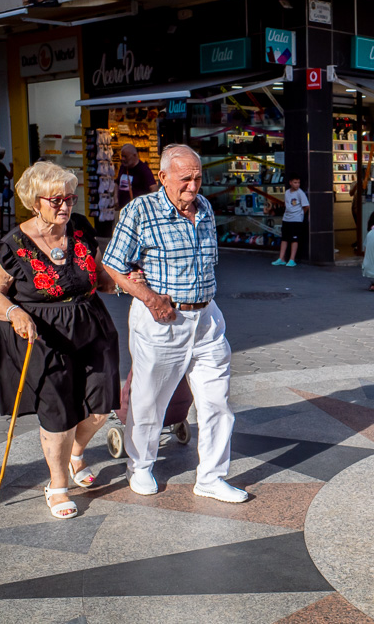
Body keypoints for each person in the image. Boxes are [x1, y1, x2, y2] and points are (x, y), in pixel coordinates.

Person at [102, 144, 248, 504]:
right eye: (185, 179)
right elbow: (113, 263)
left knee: (217, 402)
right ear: (163, 177)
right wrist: (150, 298)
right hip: (162, 318)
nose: (193, 186)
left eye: (198, 178)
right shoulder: (140, 210)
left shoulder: (205, 208)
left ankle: (211, 477)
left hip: (207, 318)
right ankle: (140, 466)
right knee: (149, 399)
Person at [0, 161, 121, 520]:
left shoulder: (80, 229)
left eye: (70, 198)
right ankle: (58, 485)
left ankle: (76, 452)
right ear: (34, 201)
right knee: (59, 412)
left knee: (101, 406)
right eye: (56, 200)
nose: (65, 206)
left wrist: (117, 282)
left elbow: (97, 272)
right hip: (42, 334)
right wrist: (14, 313)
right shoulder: (13, 246)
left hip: (91, 324)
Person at [272, 176, 309, 267]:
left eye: (298, 183)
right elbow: (286, 204)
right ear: (290, 183)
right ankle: (281, 258)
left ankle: (292, 259)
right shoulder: (287, 192)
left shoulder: (300, 193)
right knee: (284, 239)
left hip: (296, 219)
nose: (297, 185)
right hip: (286, 218)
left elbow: (306, 206)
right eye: (295, 182)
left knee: (294, 239)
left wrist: (300, 214)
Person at [116, 144, 158, 209]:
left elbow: (154, 188)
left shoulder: (143, 169)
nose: (123, 159)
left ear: (134, 155)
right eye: (122, 156)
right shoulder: (123, 167)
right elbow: (117, 182)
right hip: (123, 208)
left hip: (137, 209)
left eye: (125, 156)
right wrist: (115, 198)